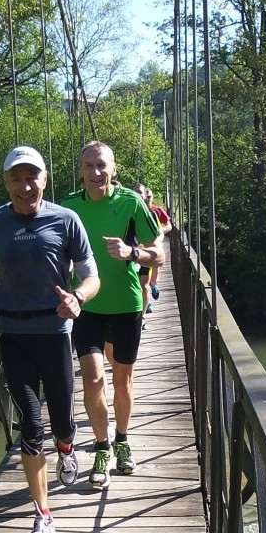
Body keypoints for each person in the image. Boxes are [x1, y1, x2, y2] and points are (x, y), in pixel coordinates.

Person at [0, 145, 100, 533]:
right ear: (6, 182)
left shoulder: (65, 219)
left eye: (32, 177)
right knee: (30, 422)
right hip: (12, 334)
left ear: (44, 179)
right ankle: (43, 516)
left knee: (61, 419)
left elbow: (91, 274)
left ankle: (67, 446)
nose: (25, 186)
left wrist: (78, 297)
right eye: (16, 178)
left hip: (55, 332)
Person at [63, 143, 163, 488]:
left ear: (113, 169)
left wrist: (132, 252)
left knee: (122, 383)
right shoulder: (68, 208)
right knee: (92, 379)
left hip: (126, 305)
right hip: (86, 306)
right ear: (80, 171)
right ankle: (102, 448)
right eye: (88, 165)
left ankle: (122, 439)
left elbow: (159, 255)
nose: (95, 172)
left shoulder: (131, 203)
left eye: (101, 165)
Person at [133, 182, 172, 316]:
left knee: (145, 285)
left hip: (148, 251)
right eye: (135, 193)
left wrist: (159, 234)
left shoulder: (155, 212)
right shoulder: (126, 211)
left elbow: (168, 226)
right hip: (131, 253)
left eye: (144, 194)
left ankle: (142, 316)